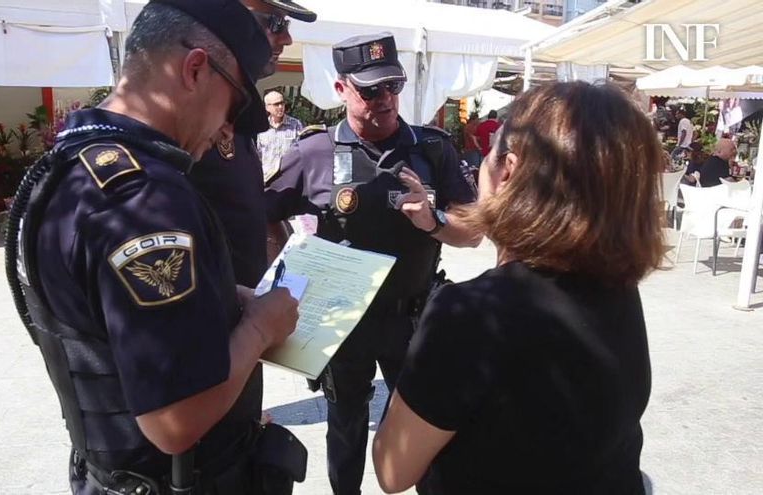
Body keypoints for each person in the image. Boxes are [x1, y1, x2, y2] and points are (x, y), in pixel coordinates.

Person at [4, 1, 304, 493]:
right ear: (194, 69)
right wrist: (259, 325)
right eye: (235, 104)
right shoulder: (145, 199)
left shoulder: (74, 165)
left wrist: (222, 298)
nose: (229, 127)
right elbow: (174, 423)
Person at [372, 81, 665, 494]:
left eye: (489, 152)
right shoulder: (617, 288)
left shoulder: (473, 312)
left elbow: (391, 470)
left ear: (508, 170)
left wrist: (417, 350)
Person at [265, 33, 481, 495]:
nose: (384, 100)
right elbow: (260, 216)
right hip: (343, 324)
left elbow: (473, 232)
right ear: (341, 89)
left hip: (414, 318)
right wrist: (286, 274)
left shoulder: (433, 149)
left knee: (425, 430)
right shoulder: (313, 153)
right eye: (370, 90)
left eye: (392, 86)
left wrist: (433, 220)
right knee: (345, 425)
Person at [189, 0, 316, 290]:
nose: (287, 39)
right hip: (208, 323)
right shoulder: (187, 120)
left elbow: (247, 213)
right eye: (275, 24)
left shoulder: (240, 116)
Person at [258, 90, 305, 183]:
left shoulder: (295, 125)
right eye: (276, 104)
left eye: (282, 103)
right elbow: (258, 155)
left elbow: (303, 150)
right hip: (267, 179)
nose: (280, 107)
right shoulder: (261, 127)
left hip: (290, 179)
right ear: (267, 107)